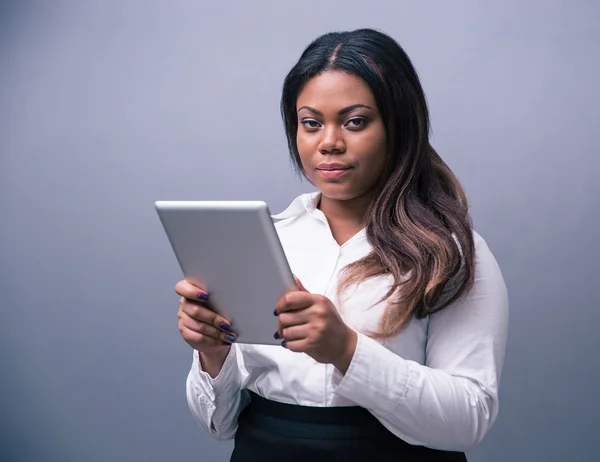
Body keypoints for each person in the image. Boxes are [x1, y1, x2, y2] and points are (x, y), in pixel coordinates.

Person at [175, 28, 509, 461]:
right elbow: (219, 424)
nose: (329, 142)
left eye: (355, 121)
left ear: (398, 127)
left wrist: (346, 350)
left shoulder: (452, 252)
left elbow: (469, 420)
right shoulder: (265, 242)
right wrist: (211, 352)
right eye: (311, 123)